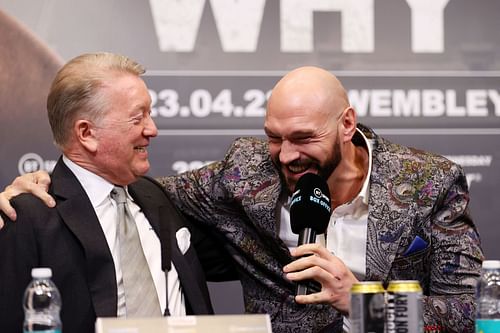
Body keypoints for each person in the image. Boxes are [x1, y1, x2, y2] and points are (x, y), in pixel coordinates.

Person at [0, 66, 483, 332]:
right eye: (274, 137)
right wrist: (46, 182)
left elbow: (470, 312)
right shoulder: (246, 171)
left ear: (347, 125)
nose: (287, 156)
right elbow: (125, 194)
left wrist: (359, 303)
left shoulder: (428, 184)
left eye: (303, 138)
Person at [0, 52, 232, 333]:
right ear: (87, 133)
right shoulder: (28, 217)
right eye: (137, 118)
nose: (152, 129)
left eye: (150, 114)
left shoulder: (157, 197)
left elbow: (240, 260)